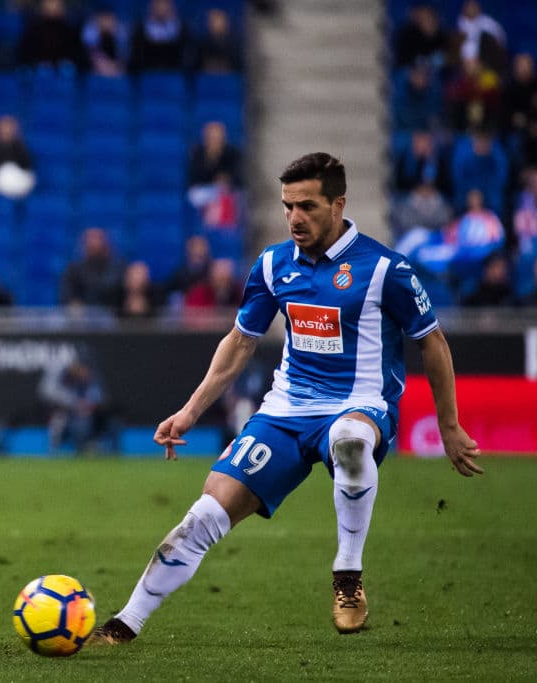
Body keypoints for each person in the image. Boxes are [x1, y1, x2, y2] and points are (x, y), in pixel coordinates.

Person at [91, 152, 482, 646]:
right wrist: (190, 412)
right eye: (287, 206)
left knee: (350, 444)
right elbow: (240, 341)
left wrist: (449, 426)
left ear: (338, 204)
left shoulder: (386, 269)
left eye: (307, 206)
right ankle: (124, 623)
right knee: (205, 514)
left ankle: (347, 575)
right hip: (286, 410)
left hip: (359, 403)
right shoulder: (273, 264)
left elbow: (433, 342)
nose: (295, 217)